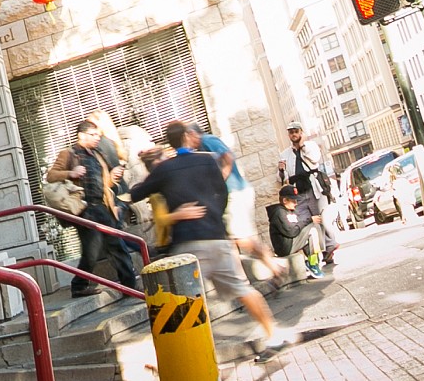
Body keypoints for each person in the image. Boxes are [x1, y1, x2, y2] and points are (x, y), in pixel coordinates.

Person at [131, 120, 291, 357]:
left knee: (179, 298)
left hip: (188, 244)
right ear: (187, 136)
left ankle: (177, 356)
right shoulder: (206, 160)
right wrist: (214, 215)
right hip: (217, 236)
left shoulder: (164, 170)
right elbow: (222, 192)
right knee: (242, 288)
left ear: (169, 142)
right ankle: (274, 335)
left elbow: (135, 194)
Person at [47, 118, 141, 295]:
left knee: (110, 245)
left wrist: (112, 177)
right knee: (98, 248)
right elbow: (51, 176)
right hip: (84, 209)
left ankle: (126, 286)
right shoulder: (69, 153)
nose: (97, 138)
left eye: (99, 135)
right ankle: (82, 285)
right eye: (93, 135)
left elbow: (103, 183)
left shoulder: (97, 154)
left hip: (101, 206)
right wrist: (71, 172)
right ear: (81, 135)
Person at [191, 124, 277, 279]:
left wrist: (221, 180)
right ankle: (246, 278)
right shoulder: (203, 146)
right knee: (234, 239)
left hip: (234, 192)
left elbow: (228, 156)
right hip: (235, 192)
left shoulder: (207, 139)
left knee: (241, 239)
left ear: (192, 134)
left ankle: (274, 268)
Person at [277, 122, 339, 268]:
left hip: (314, 188)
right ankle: (314, 255)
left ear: (301, 132)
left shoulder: (310, 146)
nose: (294, 134)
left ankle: (329, 248)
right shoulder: (285, 154)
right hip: (297, 191)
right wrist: (281, 170)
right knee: (305, 222)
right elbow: (280, 178)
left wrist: (302, 145)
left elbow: (314, 159)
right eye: (291, 132)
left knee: (322, 219)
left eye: (296, 131)